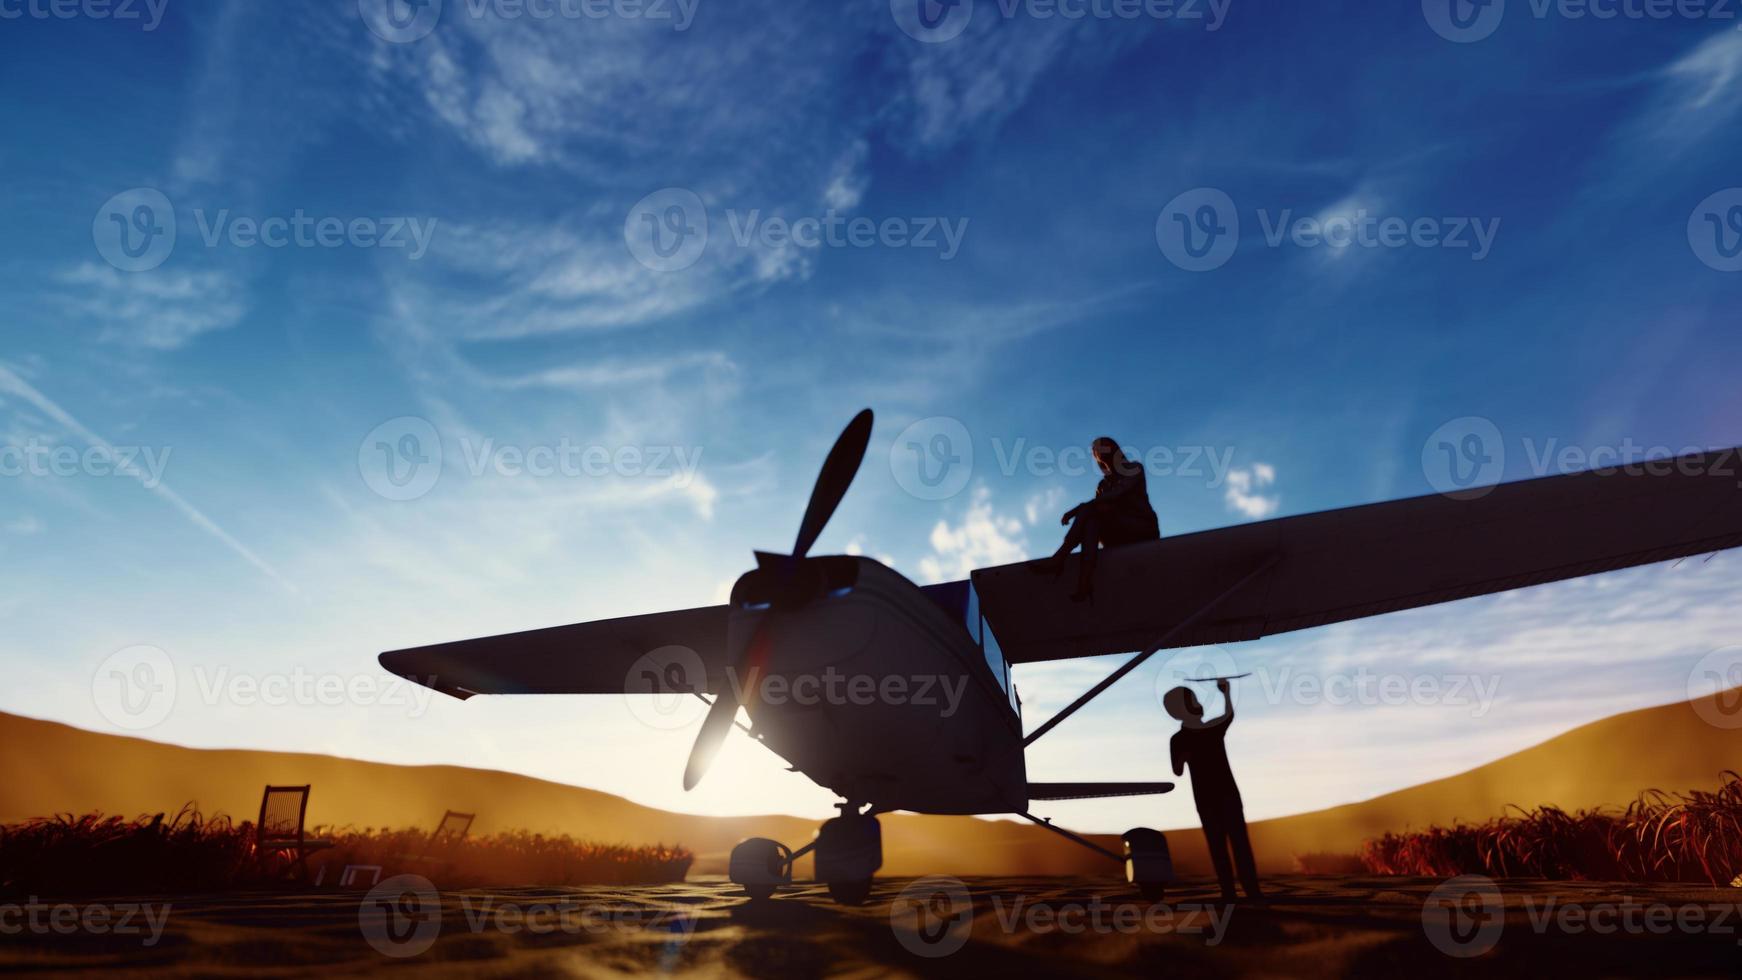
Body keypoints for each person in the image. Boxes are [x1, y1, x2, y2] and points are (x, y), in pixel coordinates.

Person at [1163, 679, 1262, 902]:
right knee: (1219, 848)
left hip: (1228, 796)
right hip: (1207, 800)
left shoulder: (1211, 729)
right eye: (1193, 700)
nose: (1198, 703)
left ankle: (1252, 891)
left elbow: (1228, 716)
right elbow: (1177, 771)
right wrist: (1184, 757)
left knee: (1240, 845)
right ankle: (1229, 892)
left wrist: (1226, 693)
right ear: (1181, 710)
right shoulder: (1179, 740)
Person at [1032, 436, 1160, 600]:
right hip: (1117, 535)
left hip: (1141, 529)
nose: (1101, 452)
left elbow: (1117, 493)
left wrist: (1077, 510)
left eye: (1105, 447)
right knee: (1091, 520)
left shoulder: (1134, 468)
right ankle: (1084, 582)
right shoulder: (1103, 485)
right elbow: (1100, 510)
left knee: (1088, 510)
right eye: (1097, 450)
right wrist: (1088, 509)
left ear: (1115, 449)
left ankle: (1060, 559)